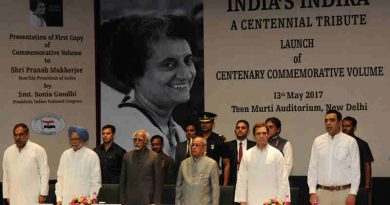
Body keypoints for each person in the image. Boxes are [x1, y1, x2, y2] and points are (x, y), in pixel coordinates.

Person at [101, 14, 197, 159]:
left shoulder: (176, 130)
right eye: (169, 64)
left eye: (188, 60)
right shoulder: (125, 132)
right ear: (134, 72)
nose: (186, 74)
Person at [307, 110, 360, 205]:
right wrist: (312, 192)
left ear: (339, 122)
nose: (328, 123)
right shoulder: (318, 141)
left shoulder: (350, 141)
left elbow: (355, 170)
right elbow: (312, 168)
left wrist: (353, 193)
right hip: (322, 193)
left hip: (344, 193)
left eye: (332, 120)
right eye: (326, 120)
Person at [234, 122, 290, 205]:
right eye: (258, 133)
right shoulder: (247, 155)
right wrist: (242, 201)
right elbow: (242, 180)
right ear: (254, 136)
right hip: (251, 201)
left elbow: (283, 180)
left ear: (268, 135)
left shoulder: (277, 154)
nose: (261, 136)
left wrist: (280, 201)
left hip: (272, 201)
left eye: (264, 133)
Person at [2, 123, 49, 205]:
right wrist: (6, 195)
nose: (18, 138)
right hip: (14, 196)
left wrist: (43, 193)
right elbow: (5, 175)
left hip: (33, 196)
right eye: (15, 135)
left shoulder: (38, 150)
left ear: (27, 135)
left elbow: (45, 173)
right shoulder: (8, 152)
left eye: (21, 135)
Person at [55, 126, 101, 205]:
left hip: (84, 201)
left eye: (76, 139)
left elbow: (95, 181)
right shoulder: (65, 154)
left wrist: (92, 199)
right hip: (66, 200)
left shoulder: (92, 155)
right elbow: (60, 179)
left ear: (82, 139)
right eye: (71, 139)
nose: (73, 141)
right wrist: (59, 197)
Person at [120, 130, 163, 205]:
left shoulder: (154, 157)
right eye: (135, 139)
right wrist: (123, 201)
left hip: (147, 199)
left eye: (140, 139)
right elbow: (123, 180)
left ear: (146, 141)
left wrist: (156, 202)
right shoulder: (127, 156)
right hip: (130, 199)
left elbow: (158, 182)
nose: (136, 142)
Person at [175, 136, 220, 205]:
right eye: (192, 145)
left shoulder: (212, 164)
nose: (193, 147)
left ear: (204, 148)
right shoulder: (184, 163)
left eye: (197, 145)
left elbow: (215, 189)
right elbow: (179, 186)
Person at [342, 116, 374, 205]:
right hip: (341, 185)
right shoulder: (336, 143)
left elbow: (367, 165)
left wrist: (367, 185)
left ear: (354, 127)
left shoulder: (362, 144)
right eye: (343, 126)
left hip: (359, 185)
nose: (345, 128)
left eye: (348, 126)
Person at [199, 112, 230, 185]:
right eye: (202, 123)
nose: (204, 125)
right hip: (196, 177)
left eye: (207, 122)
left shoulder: (219, 140)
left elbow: (226, 163)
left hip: (213, 177)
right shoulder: (195, 139)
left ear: (213, 124)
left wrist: (225, 185)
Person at [225, 120, 256, 186]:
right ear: (235, 131)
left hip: (250, 180)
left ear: (248, 131)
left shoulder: (254, 145)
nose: (240, 129)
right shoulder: (228, 145)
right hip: (233, 181)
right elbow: (226, 165)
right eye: (238, 128)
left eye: (243, 128)